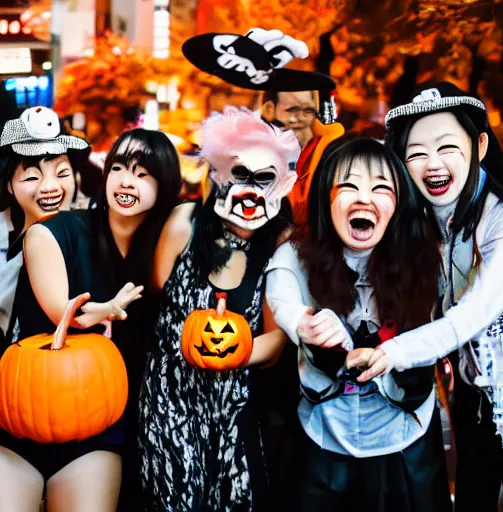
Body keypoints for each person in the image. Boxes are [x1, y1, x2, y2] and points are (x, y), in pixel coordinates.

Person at [348, 81, 503, 511]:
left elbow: (474, 313)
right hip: (472, 392)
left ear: (478, 144)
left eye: (445, 147)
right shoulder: (421, 216)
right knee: (473, 495)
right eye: (416, 153)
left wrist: (396, 352)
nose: (432, 165)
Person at [0, 128, 182, 512]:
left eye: (144, 173)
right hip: (23, 410)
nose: (127, 181)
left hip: (103, 423)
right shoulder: (55, 231)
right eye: (119, 167)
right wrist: (99, 309)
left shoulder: (167, 243)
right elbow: (60, 311)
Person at [266, 136, 451, 511]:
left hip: (405, 440)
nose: (364, 198)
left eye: (381, 188)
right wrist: (306, 324)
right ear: (326, 199)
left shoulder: (432, 257)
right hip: (322, 438)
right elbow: (281, 295)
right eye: (348, 186)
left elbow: (457, 322)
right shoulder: (297, 253)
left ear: (400, 203)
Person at [138, 107, 300, 511]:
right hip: (168, 398)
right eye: (241, 175)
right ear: (219, 176)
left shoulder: (281, 243)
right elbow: (158, 291)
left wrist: (231, 353)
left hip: (234, 407)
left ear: (281, 186)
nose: (251, 190)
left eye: (264, 179)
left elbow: (276, 338)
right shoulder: (185, 222)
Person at [0, 106, 90, 349]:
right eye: (32, 177)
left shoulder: (93, 234)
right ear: (9, 185)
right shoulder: (4, 242)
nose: (50, 187)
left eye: (62, 173)